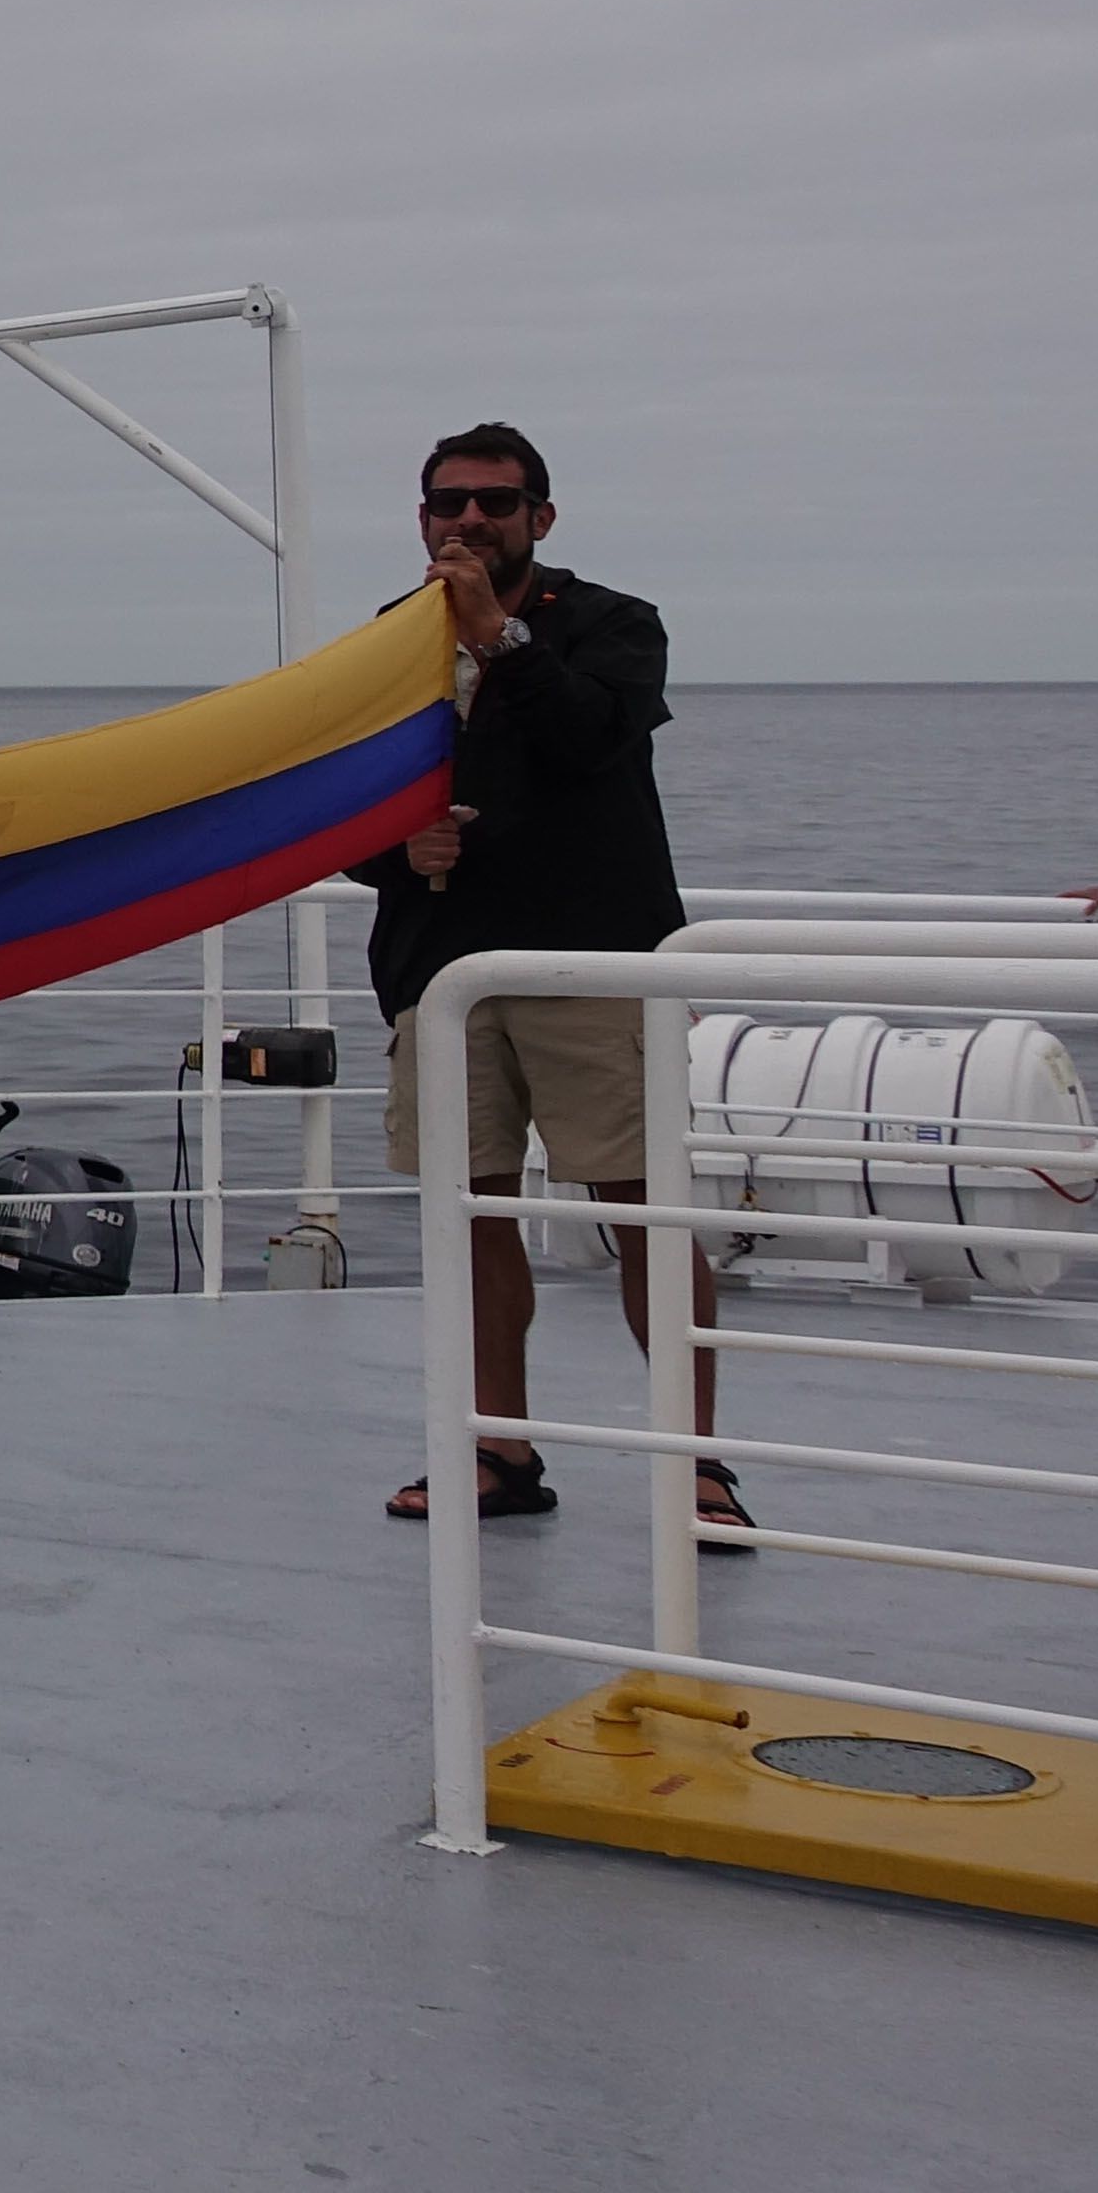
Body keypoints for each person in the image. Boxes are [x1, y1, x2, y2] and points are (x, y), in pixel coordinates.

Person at [354, 422, 734, 1535]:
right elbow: (343, 810)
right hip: (444, 971)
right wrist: (396, 852)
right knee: (471, 1215)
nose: (471, 519)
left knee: (643, 1212)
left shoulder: (614, 624)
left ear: (540, 518)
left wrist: (498, 637)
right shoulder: (389, 640)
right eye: (450, 502)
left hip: (592, 963)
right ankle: (498, 1451)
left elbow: (588, 740)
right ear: (422, 518)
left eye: (496, 502)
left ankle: (696, 1465)